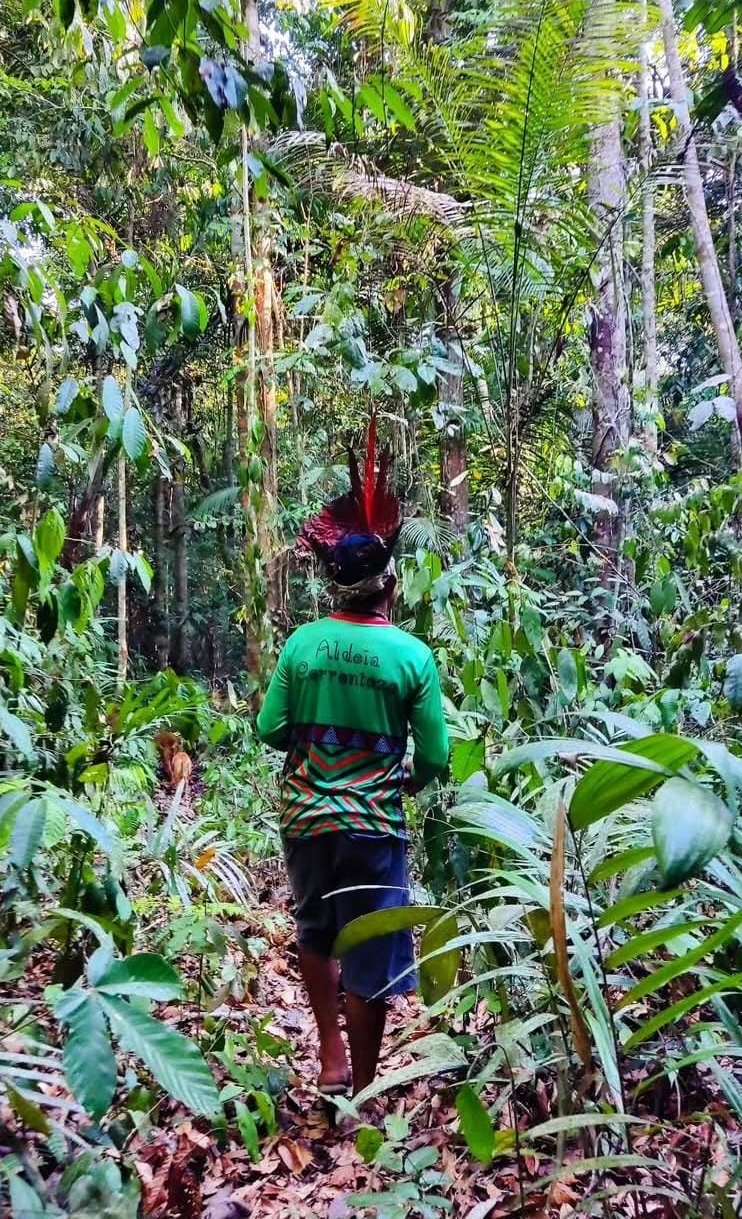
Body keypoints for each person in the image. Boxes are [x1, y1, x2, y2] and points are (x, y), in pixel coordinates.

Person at [256, 419, 450, 1097]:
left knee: (316, 930)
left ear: (334, 586)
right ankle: (361, 1087)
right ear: (388, 587)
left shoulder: (302, 644)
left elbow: (270, 729)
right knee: (368, 949)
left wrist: (317, 745)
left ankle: (331, 1055)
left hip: (307, 819)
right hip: (373, 825)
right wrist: (405, 780)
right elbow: (436, 756)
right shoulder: (412, 656)